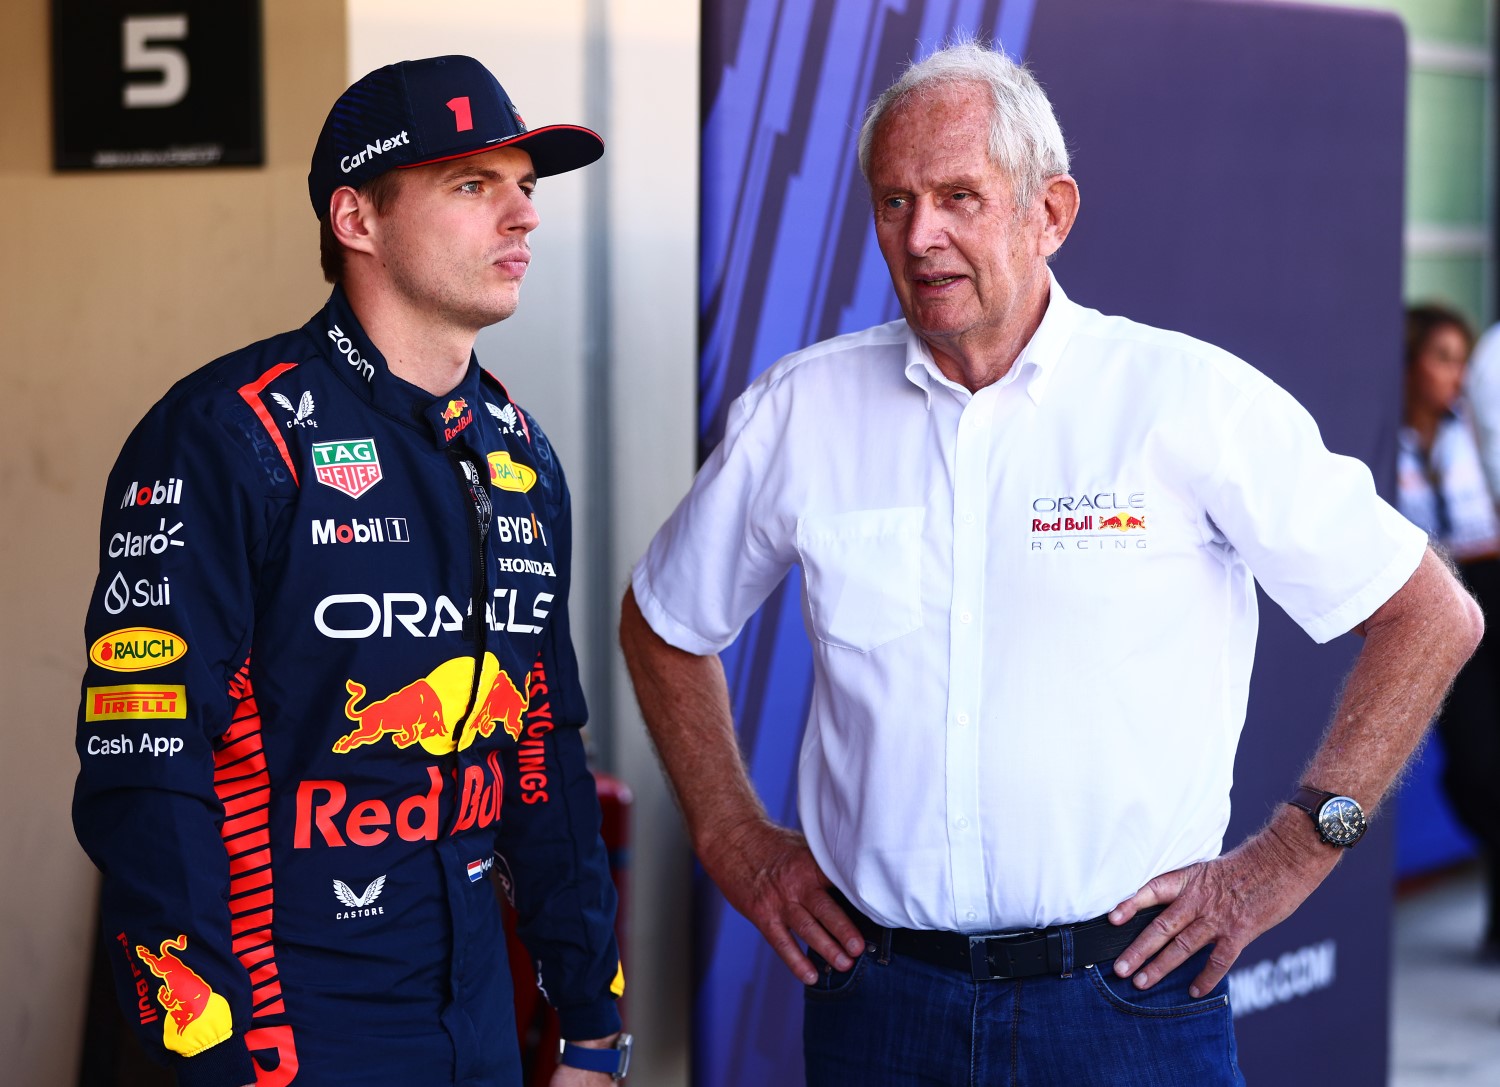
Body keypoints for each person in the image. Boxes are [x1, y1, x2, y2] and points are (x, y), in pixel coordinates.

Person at [619, 40, 1481, 1085]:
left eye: (958, 196)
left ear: (1051, 212)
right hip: (880, 1004)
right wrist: (730, 831)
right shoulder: (801, 412)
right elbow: (663, 622)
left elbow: (1431, 613)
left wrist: (1292, 856)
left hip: (1130, 1005)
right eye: (893, 203)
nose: (921, 235)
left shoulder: (1186, 400)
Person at [74, 56, 630, 1087]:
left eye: (526, 187)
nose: (522, 218)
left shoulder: (519, 452)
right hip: (288, 1035)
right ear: (357, 219)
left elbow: (543, 746)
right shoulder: (227, 437)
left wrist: (594, 1026)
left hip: (477, 1030)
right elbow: (147, 775)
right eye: (473, 186)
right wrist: (212, 1054)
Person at [1397, 303, 1500, 956]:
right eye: (1442, 357)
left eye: (1461, 359)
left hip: (1490, 585)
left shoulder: (1474, 430)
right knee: (1476, 764)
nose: (1456, 374)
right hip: (1432, 597)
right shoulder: (1387, 439)